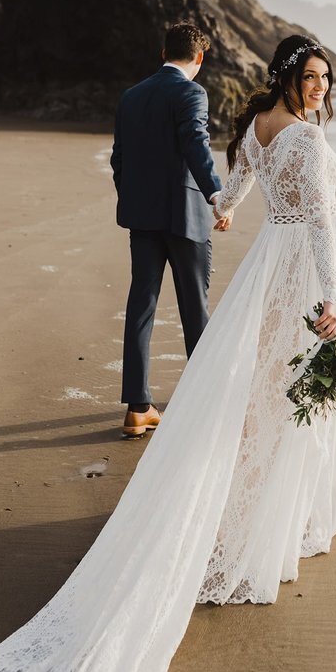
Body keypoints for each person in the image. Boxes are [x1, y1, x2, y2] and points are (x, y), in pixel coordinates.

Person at [0, 35, 336, 672]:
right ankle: (257, 527)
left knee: (264, 393)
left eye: (326, 79)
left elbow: (242, 180)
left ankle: (252, 509)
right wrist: (332, 301)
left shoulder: (258, 126)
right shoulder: (304, 138)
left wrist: (226, 211)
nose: (321, 88)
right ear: (289, 78)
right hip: (303, 271)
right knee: (284, 394)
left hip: (264, 268)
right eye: (311, 77)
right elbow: (312, 223)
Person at [110, 22, 228, 438]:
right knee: (194, 306)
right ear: (199, 58)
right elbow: (196, 142)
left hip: (141, 216)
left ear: (163, 51)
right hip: (184, 216)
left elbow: (118, 160)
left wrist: (136, 197)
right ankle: (204, 400)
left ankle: (137, 408)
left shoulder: (131, 95)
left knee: (141, 305)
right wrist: (217, 194)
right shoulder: (191, 92)